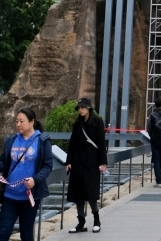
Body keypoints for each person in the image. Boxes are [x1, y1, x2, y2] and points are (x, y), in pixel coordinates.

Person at [0, 108, 53, 241]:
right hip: (9, 195)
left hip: (30, 196)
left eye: (22, 121)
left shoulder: (42, 141)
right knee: (3, 233)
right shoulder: (11, 140)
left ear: (32, 122)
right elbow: (4, 163)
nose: (18, 124)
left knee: (26, 234)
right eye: (17, 121)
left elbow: (47, 166)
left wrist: (35, 180)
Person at [65, 97, 108, 233]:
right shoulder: (77, 124)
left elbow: (101, 143)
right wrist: (69, 161)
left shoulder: (97, 122)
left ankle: (96, 219)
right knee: (78, 193)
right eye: (79, 108)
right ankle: (81, 222)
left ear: (89, 108)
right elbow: (72, 144)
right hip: (78, 161)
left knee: (91, 192)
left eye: (83, 107)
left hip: (92, 161)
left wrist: (103, 162)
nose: (81, 110)